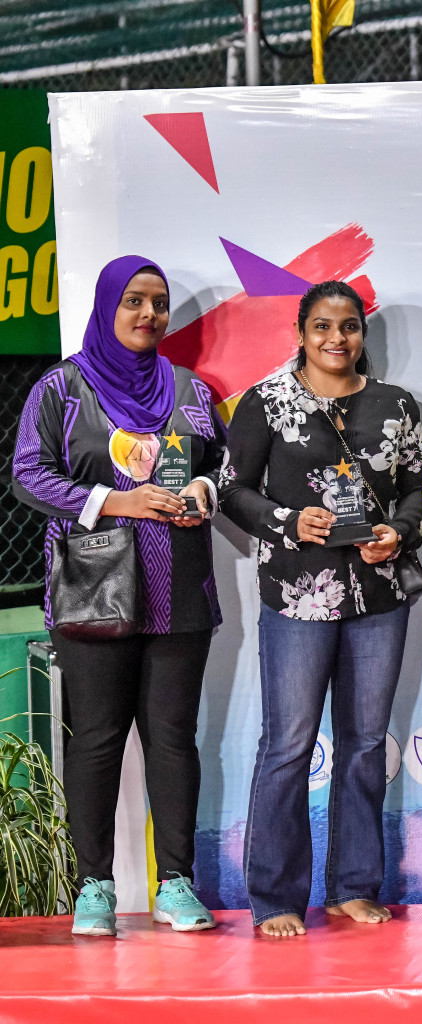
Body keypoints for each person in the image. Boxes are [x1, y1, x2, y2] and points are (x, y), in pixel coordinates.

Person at [13, 256, 224, 937]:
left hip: (179, 594)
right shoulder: (62, 388)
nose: (148, 315)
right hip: (93, 592)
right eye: (133, 301)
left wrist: (203, 491)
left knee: (173, 740)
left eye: (158, 303)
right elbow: (28, 475)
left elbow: (226, 464)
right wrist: (114, 499)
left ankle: (177, 883)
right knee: (98, 740)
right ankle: (94, 887)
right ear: (107, 306)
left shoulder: (192, 390)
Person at [220, 280, 422, 937]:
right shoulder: (268, 401)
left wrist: (401, 529)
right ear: (301, 333)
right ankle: (275, 897)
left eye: (349, 326)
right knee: (288, 744)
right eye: (322, 327)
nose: (336, 339)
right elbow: (232, 489)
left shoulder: (396, 406)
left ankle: (351, 887)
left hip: (379, 596)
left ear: (362, 333)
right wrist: (286, 521)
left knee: (365, 745)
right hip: (298, 595)